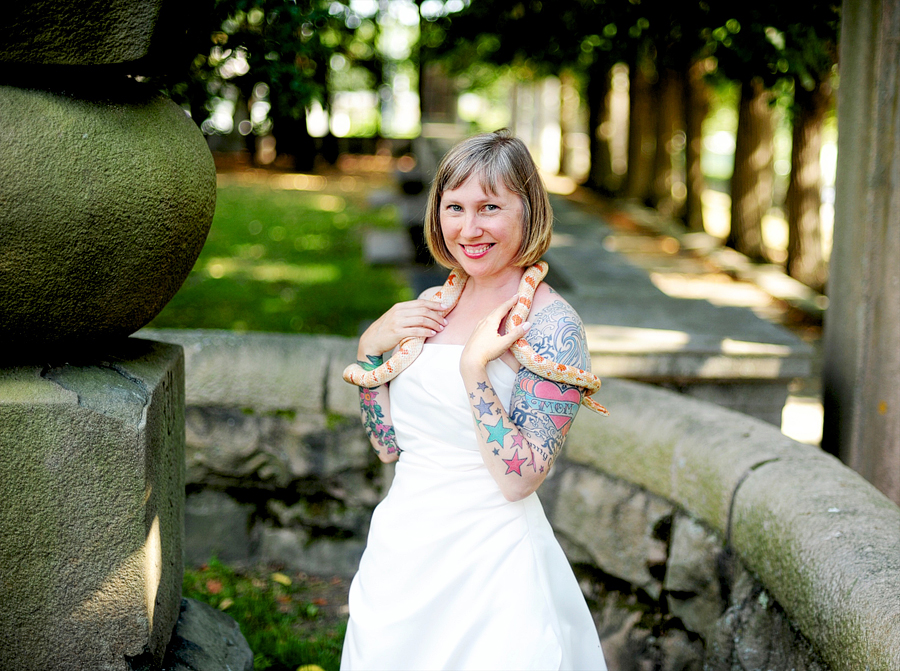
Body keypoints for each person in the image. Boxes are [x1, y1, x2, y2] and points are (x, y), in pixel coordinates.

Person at [341, 129, 607, 671]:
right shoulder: (433, 304)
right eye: (454, 207)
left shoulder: (551, 328)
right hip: (403, 552)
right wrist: (370, 350)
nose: (469, 228)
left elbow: (520, 479)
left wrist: (474, 370)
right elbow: (389, 446)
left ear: (527, 211)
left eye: (490, 207)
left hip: (492, 570)